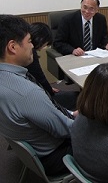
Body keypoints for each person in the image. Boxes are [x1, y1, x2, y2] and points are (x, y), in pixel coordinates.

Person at [0, 15, 75, 176]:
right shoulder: (27, 92)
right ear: (12, 47)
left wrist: (69, 113)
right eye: (29, 41)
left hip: (32, 148)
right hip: (54, 156)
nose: (32, 46)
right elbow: (67, 130)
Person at [26, 22, 78, 110]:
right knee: (78, 97)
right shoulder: (30, 54)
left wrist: (48, 87)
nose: (45, 47)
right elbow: (39, 77)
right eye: (46, 44)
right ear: (40, 39)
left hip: (33, 93)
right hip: (38, 100)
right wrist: (48, 90)